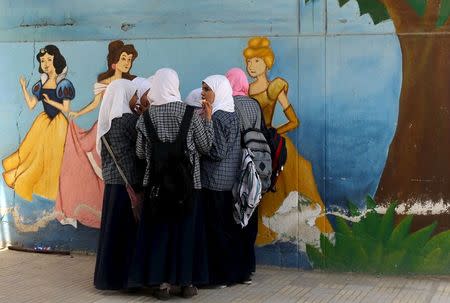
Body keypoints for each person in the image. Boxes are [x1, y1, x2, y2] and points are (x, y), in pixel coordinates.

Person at [243, 37, 333, 245]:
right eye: (248, 61)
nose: (251, 66)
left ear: (267, 62)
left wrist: (273, 132)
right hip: (254, 145)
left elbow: (294, 121)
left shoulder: (275, 88)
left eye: (256, 61)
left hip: (274, 146)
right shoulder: (245, 90)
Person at [132, 68, 213, 300]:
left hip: (156, 185)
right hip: (188, 184)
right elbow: (205, 146)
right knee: (185, 232)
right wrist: (208, 121)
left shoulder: (146, 117)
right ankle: (186, 284)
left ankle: (163, 285)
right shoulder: (190, 113)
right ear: (175, 86)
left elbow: (139, 153)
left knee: (160, 233)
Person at [55, 40, 138, 229]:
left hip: (118, 131)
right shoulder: (105, 82)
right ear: (114, 62)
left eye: (130, 59)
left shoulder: (132, 82)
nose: (127, 62)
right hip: (103, 125)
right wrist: (78, 113)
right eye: (123, 58)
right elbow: (95, 104)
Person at [2, 45, 75, 201]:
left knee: (54, 157)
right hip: (43, 122)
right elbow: (31, 105)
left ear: (57, 61)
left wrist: (51, 102)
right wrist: (23, 87)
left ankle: (59, 192)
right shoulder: (40, 84)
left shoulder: (64, 84)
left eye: (49, 59)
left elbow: (66, 109)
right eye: (43, 61)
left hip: (58, 124)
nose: (46, 63)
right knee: (33, 155)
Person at [93, 78, 142, 290]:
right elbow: (141, 145)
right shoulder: (127, 120)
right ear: (123, 95)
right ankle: (125, 281)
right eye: (133, 95)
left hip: (112, 183)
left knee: (110, 232)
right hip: (127, 183)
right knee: (125, 233)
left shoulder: (106, 120)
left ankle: (106, 279)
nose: (135, 99)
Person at [201, 75, 243, 287]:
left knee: (215, 229)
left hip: (214, 179)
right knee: (227, 229)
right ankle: (231, 273)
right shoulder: (233, 114)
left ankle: (218, 276)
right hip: (229, 179)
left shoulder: (217, 117)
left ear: (218, 92)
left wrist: (200, 147)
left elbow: (217, 151)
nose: (203, 93)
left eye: (207, 89)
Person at [225, 67, 260, 283]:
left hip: (235, 166)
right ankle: (248, 268)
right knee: (250, 213)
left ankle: (236, 268)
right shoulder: (254, 104)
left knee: (234, 216)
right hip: (254, 167)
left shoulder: (229, 105)